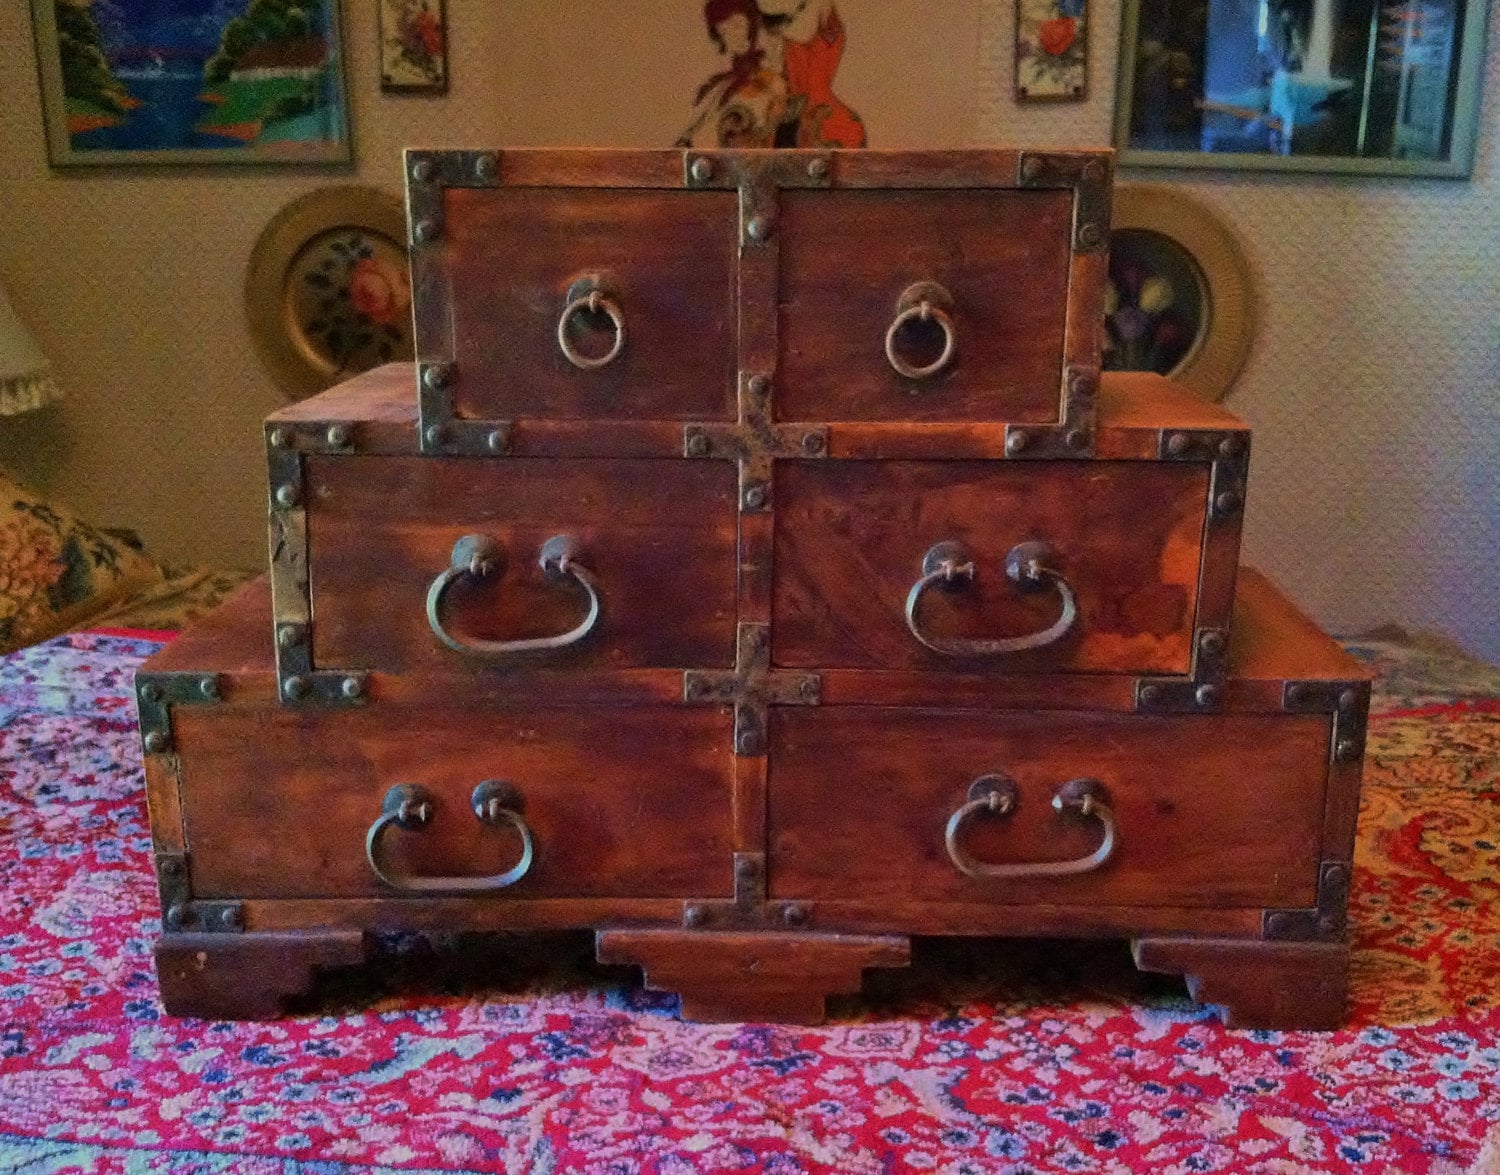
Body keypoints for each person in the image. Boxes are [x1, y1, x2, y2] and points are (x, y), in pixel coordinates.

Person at [677, 0, 792, 148]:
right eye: (724, 31)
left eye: (737, 25)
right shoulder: (722, 86)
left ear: (751, 23)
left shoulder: (772, 81)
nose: (733, 36)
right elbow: (693, 131)